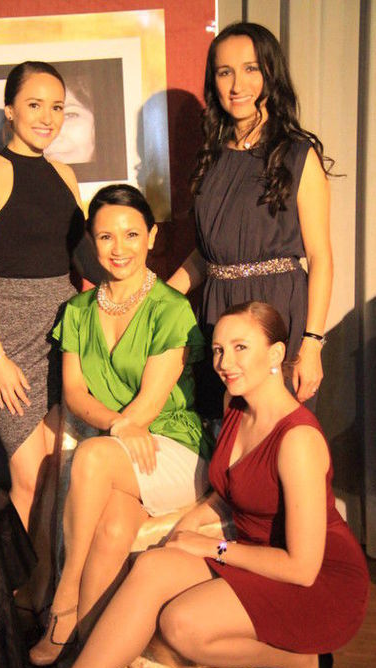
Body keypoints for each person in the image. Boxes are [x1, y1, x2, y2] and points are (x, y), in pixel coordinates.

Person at [0, 301, 369, 668]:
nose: (225, 362)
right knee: (152, 565)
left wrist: (212, 547)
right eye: (218, 350)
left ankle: (299, 659)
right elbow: (227, 489)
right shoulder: (237, 407)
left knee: (181, 626)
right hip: (257, 558)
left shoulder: (298, 440)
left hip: (317, 583)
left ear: (277, 353)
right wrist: (186, 529)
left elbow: (302, 567)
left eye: (240, 348)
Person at [28, 184, 212, 667]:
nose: (119, 248)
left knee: (90, 456)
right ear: (91, 242)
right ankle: (91, 664)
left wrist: (121, 432)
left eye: (131, 234)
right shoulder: (77, 311)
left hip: (170, 447)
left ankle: (64, 599)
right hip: (118, 450)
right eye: (105, 236)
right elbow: (74, 394)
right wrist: (118, 428)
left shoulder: (170, 307)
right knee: (111, 528)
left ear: (151, 237)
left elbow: (149, 406)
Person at [0, 61, 98, 531]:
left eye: (57, 107)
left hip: (62, 338)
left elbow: (85, 263)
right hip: (8, 342)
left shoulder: (65, 175)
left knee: (57, 476)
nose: (47, 117)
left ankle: (46, 573)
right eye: (35, 105)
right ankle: (17, 576)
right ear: (10, 110)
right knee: (30, 480)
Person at [168, 22, 334, 416]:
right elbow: (208, 254)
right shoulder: (211, 157)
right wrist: (158, 299)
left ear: (270, 74)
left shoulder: (298, 155)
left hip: (276, 312)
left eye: (250, 69)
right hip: (217, 316)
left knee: (275, 430)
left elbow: (321, 258)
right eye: (225, 72)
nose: (237, 85)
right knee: (223, 432)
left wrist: (312, 343)